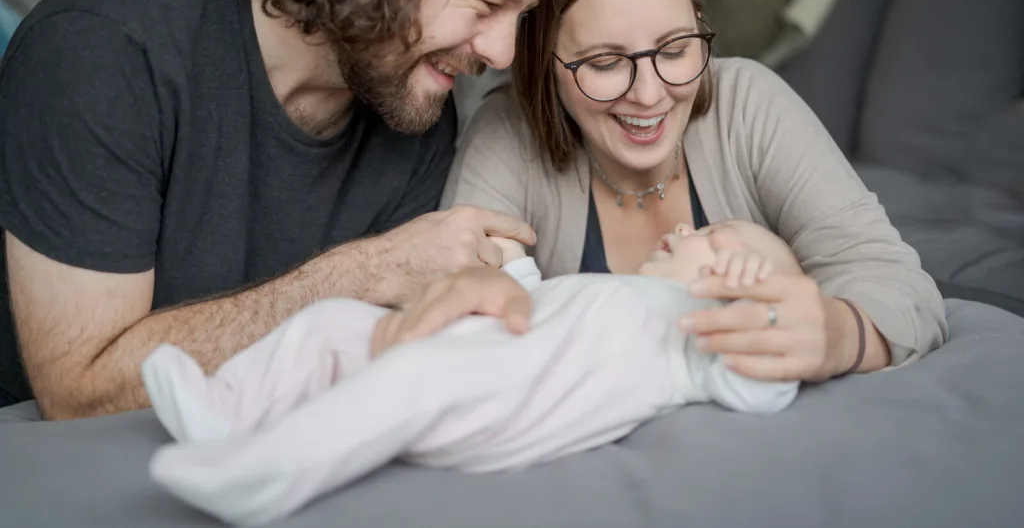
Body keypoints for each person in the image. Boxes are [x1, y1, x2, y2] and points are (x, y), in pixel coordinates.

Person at [0, 0, 591, 417]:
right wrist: (367, 273)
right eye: (485, 3)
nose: (504, 52)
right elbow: (78, 393)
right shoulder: (102, 49)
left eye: (523, 15)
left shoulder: (416, 107)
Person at [438, 0, 949, 384]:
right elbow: (452, 313)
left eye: (676, 49)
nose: (648, 94)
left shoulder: (750, 103)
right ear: (543, 65)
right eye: (604, 63)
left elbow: (901, 288)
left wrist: (835, 335)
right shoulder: (507, 132)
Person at [140, 219, 802, 526]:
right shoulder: (609, 290)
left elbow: (763, 382)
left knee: (405, 385)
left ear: (732, 281)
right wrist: (509, 266)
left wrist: (760, 307)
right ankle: (226, 405)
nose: (688, 227)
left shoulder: (693, 338)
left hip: (495, 398)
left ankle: (264, 474)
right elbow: (531, 303)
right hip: (468, 339)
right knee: (333, 320)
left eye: (718, 238)